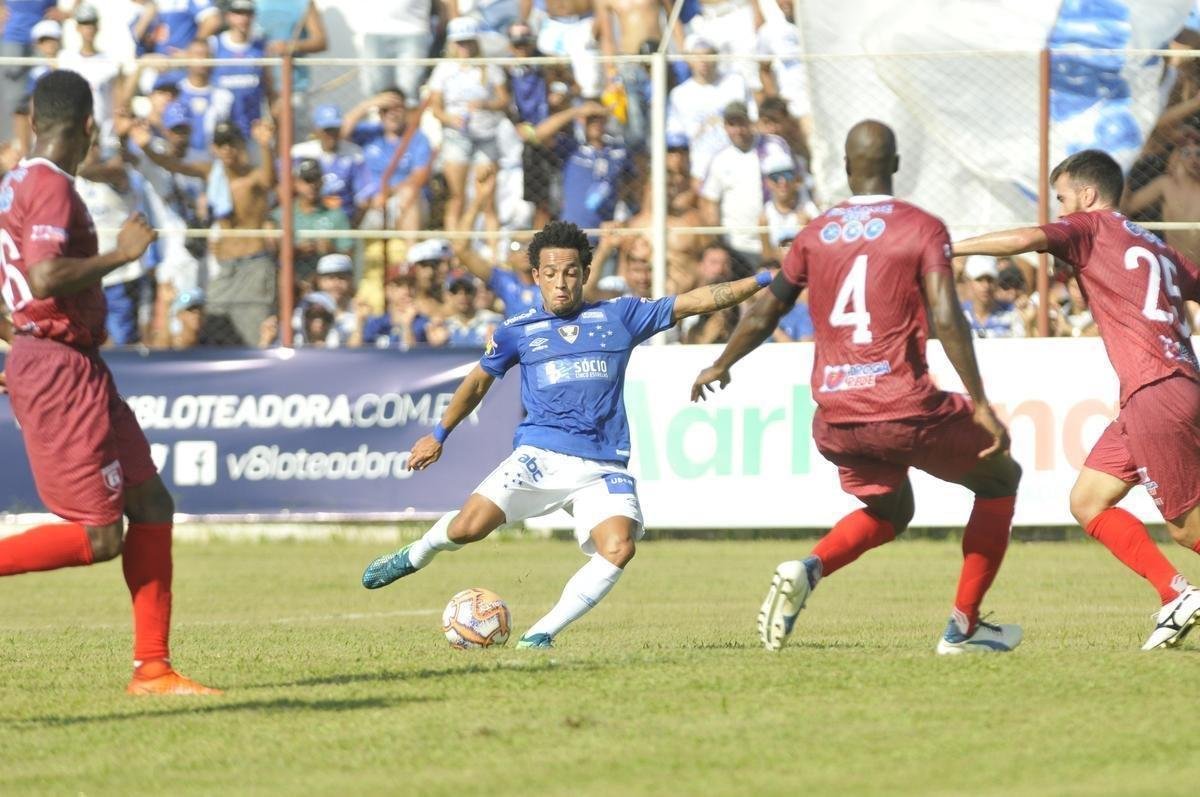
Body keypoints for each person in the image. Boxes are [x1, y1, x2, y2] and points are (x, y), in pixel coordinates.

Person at [692, 120, 1023, 655]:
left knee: (892, 513)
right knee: (1001, 479)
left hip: (838, 417)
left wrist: (721, 363)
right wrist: (980, 402)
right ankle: (963, 628)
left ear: (847, 169)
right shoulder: (921, 227)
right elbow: (946, 314)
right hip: (902, 405)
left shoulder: (814, 233)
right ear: (896, 165)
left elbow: (766, 309)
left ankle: (809, 568)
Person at [360, 220, 772, 647]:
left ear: (585, 273)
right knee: (467, 528)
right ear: (536, 275)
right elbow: (478, 382)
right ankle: (416, 554)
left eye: (571, 272)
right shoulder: (517, 330)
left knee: (619, 548)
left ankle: (540, 634)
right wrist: (438, 434)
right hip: (540, 456)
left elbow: (696, 301)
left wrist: (762, 280)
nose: (561, 283)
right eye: (551, 273)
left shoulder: (620, 316)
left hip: (602, 464)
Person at [0, 70, 219, 694]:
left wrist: (20, 341)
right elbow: (43, 275)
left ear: (33, 121)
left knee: (152, 504)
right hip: (60, 367)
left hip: (66, 359)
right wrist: (123, 254)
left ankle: (153, 669)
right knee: (98, 538)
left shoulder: (14, 182)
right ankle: (151, 668)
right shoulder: (50, 185)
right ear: (89, 127)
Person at [954, 148, 1200, 650]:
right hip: (1165, 389)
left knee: (1185, 528)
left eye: (1063, 198)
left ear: (1087, 196)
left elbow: (1024, 240)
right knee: (1088, 501)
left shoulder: (1089, 227)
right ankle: (1175, 593)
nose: (1060, 211)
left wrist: (948, 248)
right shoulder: (1156, 245)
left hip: (1155, 392)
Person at [428, 17, 509, 235]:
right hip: (456, 136)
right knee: (457, 197)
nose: (464, 46)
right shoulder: (444, 69)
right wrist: (450, 118)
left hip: (486, 134)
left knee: (488, 199)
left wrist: (485, 104)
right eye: (460, 42)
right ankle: (456, 248)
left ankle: (493, 251)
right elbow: (435, 109)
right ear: (452, 43)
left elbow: (504, 100)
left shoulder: (489, 67)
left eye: (468, 41)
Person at [210, 0, 276, 138]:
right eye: (238, 13)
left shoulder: (261, 46)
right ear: (228, 16)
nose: (243, 19)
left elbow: (269, 85)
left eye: (248, 14)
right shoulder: (214, 44)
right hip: (222, 129)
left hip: (253, 126)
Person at [175, 38, 236, 159]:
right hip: (180, 160)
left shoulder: (224, 96)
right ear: (187, 57)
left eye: (207, 55)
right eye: (198, 55)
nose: (203, 60)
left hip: (215, 160)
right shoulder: (176, 92)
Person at [959, 255, 1025, 338]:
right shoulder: (958, 314)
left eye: (990, 280)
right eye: (979, 280)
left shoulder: (1012, 313)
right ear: (969, 282)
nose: (986, 286)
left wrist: (1028, 324)